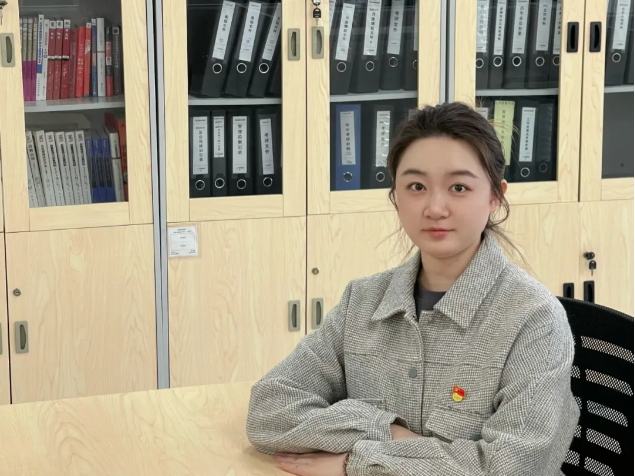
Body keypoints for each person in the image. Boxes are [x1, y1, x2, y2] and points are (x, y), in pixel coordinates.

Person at [246, 102, 580, 476]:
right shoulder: (362, 302)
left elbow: (510, 469)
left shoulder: (534, 320)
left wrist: (358, 463)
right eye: (416, 186)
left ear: (495, 197)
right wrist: (386, 430)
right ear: (395, 196)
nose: (435, 208)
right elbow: (268, 410)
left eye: (458, 187)